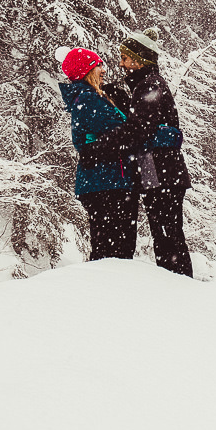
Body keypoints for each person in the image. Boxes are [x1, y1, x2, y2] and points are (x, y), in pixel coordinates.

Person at [112, 28, 194, 276]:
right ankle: (177, 282)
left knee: (167, 237)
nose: (121, 64)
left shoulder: (150, 86)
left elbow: (138, 130)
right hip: (160, 173)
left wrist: (107, 143)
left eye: (125, 58)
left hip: (161, 174)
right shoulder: (147, 85)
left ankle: (178, 284)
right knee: (167, 235)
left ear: (139, 60)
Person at [57, 47, 144, 261]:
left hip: (107, 181)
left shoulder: (95, 97)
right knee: (114, 251)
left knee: (111, 249)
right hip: (107, 183)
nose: (103, 70)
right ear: (86, 71)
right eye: (98, 66)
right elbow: (116, 136)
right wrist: (135, 128)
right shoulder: (89, 100)